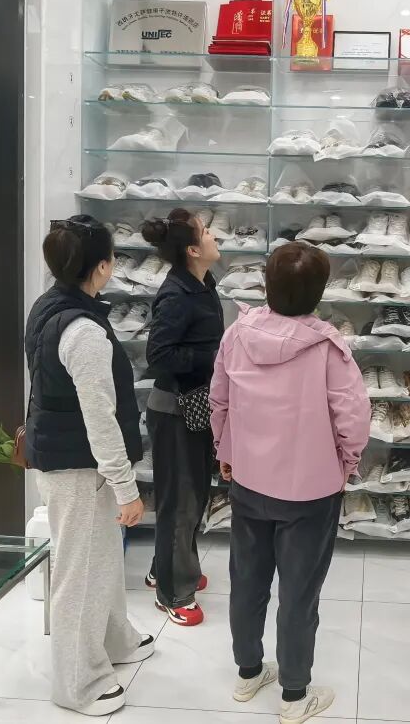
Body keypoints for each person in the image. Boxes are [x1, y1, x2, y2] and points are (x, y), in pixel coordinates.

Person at [210, 243, 371, 724]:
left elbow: (219, 399)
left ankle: (247, 672)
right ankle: (294, 696)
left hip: (248, 481)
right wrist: (348, 463)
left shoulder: (238, 333)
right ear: (320, 292)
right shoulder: (327, 348)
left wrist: (226, 451)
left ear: (266, 284)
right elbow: (353, 417)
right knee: (299, 593)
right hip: (310, 489)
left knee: (247, 581)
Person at [23, 215, 153, 717]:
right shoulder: (82, 330)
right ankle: (77, 683)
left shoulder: (49, 306)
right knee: (79, 573)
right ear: (102, 266)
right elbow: (100, 418)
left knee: (101, 559)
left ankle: (115, 638)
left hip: (62, 456)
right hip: (80, 467)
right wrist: (126, 487)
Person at [140, 208, 223, 626]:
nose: (214, 236)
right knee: (181, 502)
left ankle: (166, 568)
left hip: (196, 405)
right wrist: (216, 357)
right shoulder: (176, 295)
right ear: (192, 249)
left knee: (193, 495)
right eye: (206, 232)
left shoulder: (204, 282)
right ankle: (174, 593)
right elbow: (158, 355)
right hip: (175, 410)